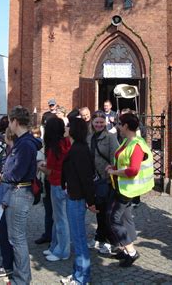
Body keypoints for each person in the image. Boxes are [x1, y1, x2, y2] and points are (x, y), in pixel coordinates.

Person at [0, 106, 42, 285]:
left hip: (20, 192)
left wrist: (0, 176)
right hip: (16, 192)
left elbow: (17, 173)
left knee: (17, 239)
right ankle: (19, 276)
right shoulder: (23, 142)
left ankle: (22, 279)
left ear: (15, 121)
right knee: (14, 237)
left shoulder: (25, 144)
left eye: (10, 121)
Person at [106, 113, 154, 267]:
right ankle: (125, 248)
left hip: (127, 189)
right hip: (123, 187)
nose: (118, 127)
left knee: (113, 219)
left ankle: (132, 252)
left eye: (120, 124)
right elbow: (123, 161)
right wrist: (113, 167)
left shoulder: (137, 145)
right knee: (125, 217)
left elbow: (133, 170)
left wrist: (114, 172)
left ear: (126, 126)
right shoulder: (128, 141)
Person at [60, 118, 98, 285]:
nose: (66, 127)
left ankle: (82, 278)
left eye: (69, 125)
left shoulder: (80, 150)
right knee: (77, 238)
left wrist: (91, 201)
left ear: (74, 129)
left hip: (77, 198)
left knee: (79, 238)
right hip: (73, 196)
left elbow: (86, 178)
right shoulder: (76, 148)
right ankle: (77, 273)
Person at [86, 110, 119, 254]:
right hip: (94, 179)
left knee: (106, 211)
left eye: (101, 122)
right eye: (96, 122)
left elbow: (115, 156)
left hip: (106, 179)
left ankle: (109, 241)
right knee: (99, 210)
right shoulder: (89, 137)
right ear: (92, 123)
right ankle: (99, 237)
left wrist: (112, 168)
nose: (99, 124)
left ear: (105, 123)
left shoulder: (110, 137)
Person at [40, 117, 72, 262]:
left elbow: (50, 170)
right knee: (58, 218)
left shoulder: (54, 147)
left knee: (60, 219)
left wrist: (41, 167)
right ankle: (55, 246)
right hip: (64, 183)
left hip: (56, 183)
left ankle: (63, 251)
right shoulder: (66, 142)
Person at [0, 127, 17, 279]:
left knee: (7, 231)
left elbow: (11, 175)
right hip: (7, 194)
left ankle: (8, 265)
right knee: (5, 230)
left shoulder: (14, 153)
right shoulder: (11, 151)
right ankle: (9, 263)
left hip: (9, 196)